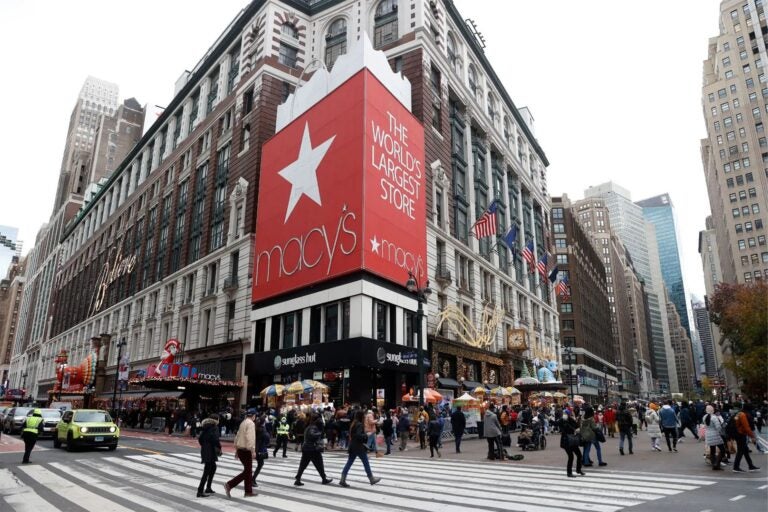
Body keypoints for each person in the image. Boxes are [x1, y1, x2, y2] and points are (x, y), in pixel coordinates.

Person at [340, 410, 382, 488]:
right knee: (366, 462)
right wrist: (366, 435)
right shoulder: (359, 424)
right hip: (359, 447)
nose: (364, 417)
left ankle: (342, 479)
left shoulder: (353, 423)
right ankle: (371, 479)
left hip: (353, 446)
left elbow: (354, 435)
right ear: (361, 416)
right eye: (363, 416)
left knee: (349, 463)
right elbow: (358, 435)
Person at [224, 408, 257, 499]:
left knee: (248, 471)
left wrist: (236, 450)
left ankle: (248, 491)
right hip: (246, 450)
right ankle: (229, 484)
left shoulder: (243, 423)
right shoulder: (251, 424)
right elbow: (250, 438)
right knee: (248, 471)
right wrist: (253, 450)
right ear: (253, 416)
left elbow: (237, 436)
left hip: (241, 449)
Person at [294, 412, 333, 486]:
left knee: (303, 465)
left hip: (307, 448)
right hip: (312, 449)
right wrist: (320, 434)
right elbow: (312, 435)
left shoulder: (309, 426)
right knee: (319, 464)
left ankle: (298, 478)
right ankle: (324, 479)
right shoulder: (313, 427)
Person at [197, 413, 221, 497]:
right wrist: (219, 447)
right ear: (216, 420)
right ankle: (200, 490)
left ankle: (208, 487)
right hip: (211, 450)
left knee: (213, 467)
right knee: (207, 470)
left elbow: (200, 438)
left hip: (205, 450)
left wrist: (204, 445)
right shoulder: (215, 427)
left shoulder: (205, 426)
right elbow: (215, 439)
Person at [731, 403, 760, 473]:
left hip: (736, 433)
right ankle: (736, 467)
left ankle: (750, 466)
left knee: (745, 450)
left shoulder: (738, 414)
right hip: (741, 434)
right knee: (740, 451)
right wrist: (752, 436)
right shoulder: (743, 415)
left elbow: (734, 422)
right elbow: (746, 427)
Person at [559, 409, 585, 478]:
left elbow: (577, 426)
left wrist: (578, 424)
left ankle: (578, 470)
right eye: (564, 413)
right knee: (571, 456)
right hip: (566, 441)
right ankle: (569, 472)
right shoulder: (562, 420)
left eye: (566, 414)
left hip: (573, 440)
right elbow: (565, 427)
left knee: (579, 455)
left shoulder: (571, 419)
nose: (564, 415)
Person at [704, 405, 726, 471]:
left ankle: (714, 464)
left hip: (708, 435)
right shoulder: (714, 417)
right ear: (712, 410)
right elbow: (718, 427)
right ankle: (717, 463)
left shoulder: (704, 417)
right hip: (715, 435)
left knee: (712, 450)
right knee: (723, 450)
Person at [250, 417, 271, 487]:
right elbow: (267, 438)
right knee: (260, 464)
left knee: (257, 464)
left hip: (254, 448)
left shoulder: (255, 428)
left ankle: (252, 479)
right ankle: (252, 480)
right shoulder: (262, 430)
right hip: (259, 449)